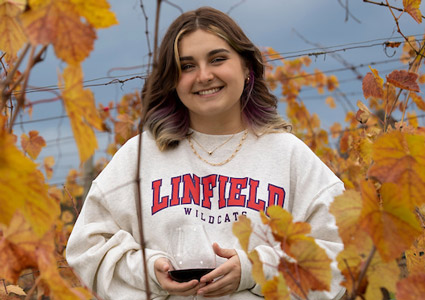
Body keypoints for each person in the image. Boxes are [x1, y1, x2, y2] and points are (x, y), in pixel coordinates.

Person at [66, 6, 346, 300]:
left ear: (246, 66)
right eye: (186, 66)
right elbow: (88, 246)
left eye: (217, 59)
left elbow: (339, 251)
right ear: (172, 80)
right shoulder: (140, 155)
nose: (203, 75)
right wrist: (151, 272)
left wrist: (254, 269)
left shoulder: (287, 154)